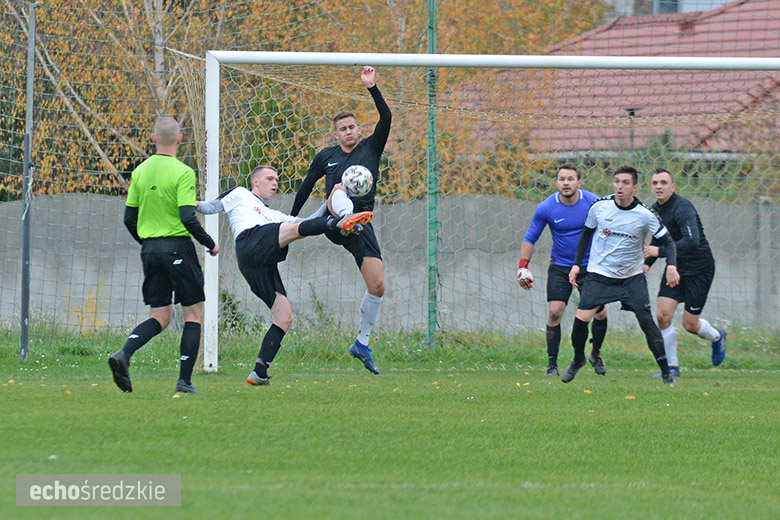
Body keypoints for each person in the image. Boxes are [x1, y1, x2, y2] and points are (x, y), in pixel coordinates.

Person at [197, 165, 372, 386]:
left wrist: (328, 203)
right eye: (269, 178)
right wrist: (192, 205)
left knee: (284, 316)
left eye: (277, 179)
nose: (275, 183)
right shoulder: (240, 193)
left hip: (258, 263)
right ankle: (338, 223)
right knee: (291, 230)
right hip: (249, 242)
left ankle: (259, 372)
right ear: (256, 182)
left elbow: (305, 223)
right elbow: (212, 206)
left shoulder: (272, 214)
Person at [290, 66, 391, 375]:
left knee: (377, 286)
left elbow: (386, 119)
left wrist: (371, 87)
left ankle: (361, 342)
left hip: (363, 223)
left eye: (352, 127)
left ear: (358, 130)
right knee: (336, 188)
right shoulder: (326, 156)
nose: (348, 131)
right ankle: (348, 217)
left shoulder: (371, 148)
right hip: (337, 220)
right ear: (335, 134)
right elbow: (307, 185)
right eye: (342, 128)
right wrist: (290, 218)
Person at [109, 116, 220, 394]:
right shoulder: (183, 172)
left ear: (153, 138)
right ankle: (184, 381)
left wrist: (147, 243)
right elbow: (187, 216)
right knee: (193, 313)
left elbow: (128, 218)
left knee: (160, 316)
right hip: (178, 247)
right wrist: (209, 243)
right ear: (180, 139)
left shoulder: (140, 171)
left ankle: (124, 353)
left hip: (150, 250)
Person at [564, 165, 680, 385]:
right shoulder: (600, 207)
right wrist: (577, 265)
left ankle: (666, 373)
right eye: (617, 181)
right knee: (581, 319)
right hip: (599, 275)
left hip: (631, 278)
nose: (620, 186)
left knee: (647, 322)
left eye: (625, 183)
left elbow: (668, 242)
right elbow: (586, 234)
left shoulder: (645, 214)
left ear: (634, 187)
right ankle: (579, 358)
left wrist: (672, 266)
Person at [517, 164, 608, 377]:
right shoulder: (547, 208)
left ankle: (595, 353)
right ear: (557, 182)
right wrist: (522, 267)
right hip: (560, 266)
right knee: (555, 312)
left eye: (570, 179)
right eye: (561, 179)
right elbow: (530, 237)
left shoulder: (593, 202)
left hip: (589, 266)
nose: (565, 183)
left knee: (600, 313)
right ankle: (552, 365)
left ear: (579, 182)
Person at [643, 169, 726, 377]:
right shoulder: (653, 211)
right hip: (675, 268)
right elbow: (656, 242)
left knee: (690, 324)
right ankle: (672, 368)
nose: (659, 186)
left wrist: (659, 252)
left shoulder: (682, 208)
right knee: (662, 316)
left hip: (699, 269)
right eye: (655, 183)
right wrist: (646, 265)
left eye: (663, 182)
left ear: (673, 187)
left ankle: (717, 337)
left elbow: (692, 241)